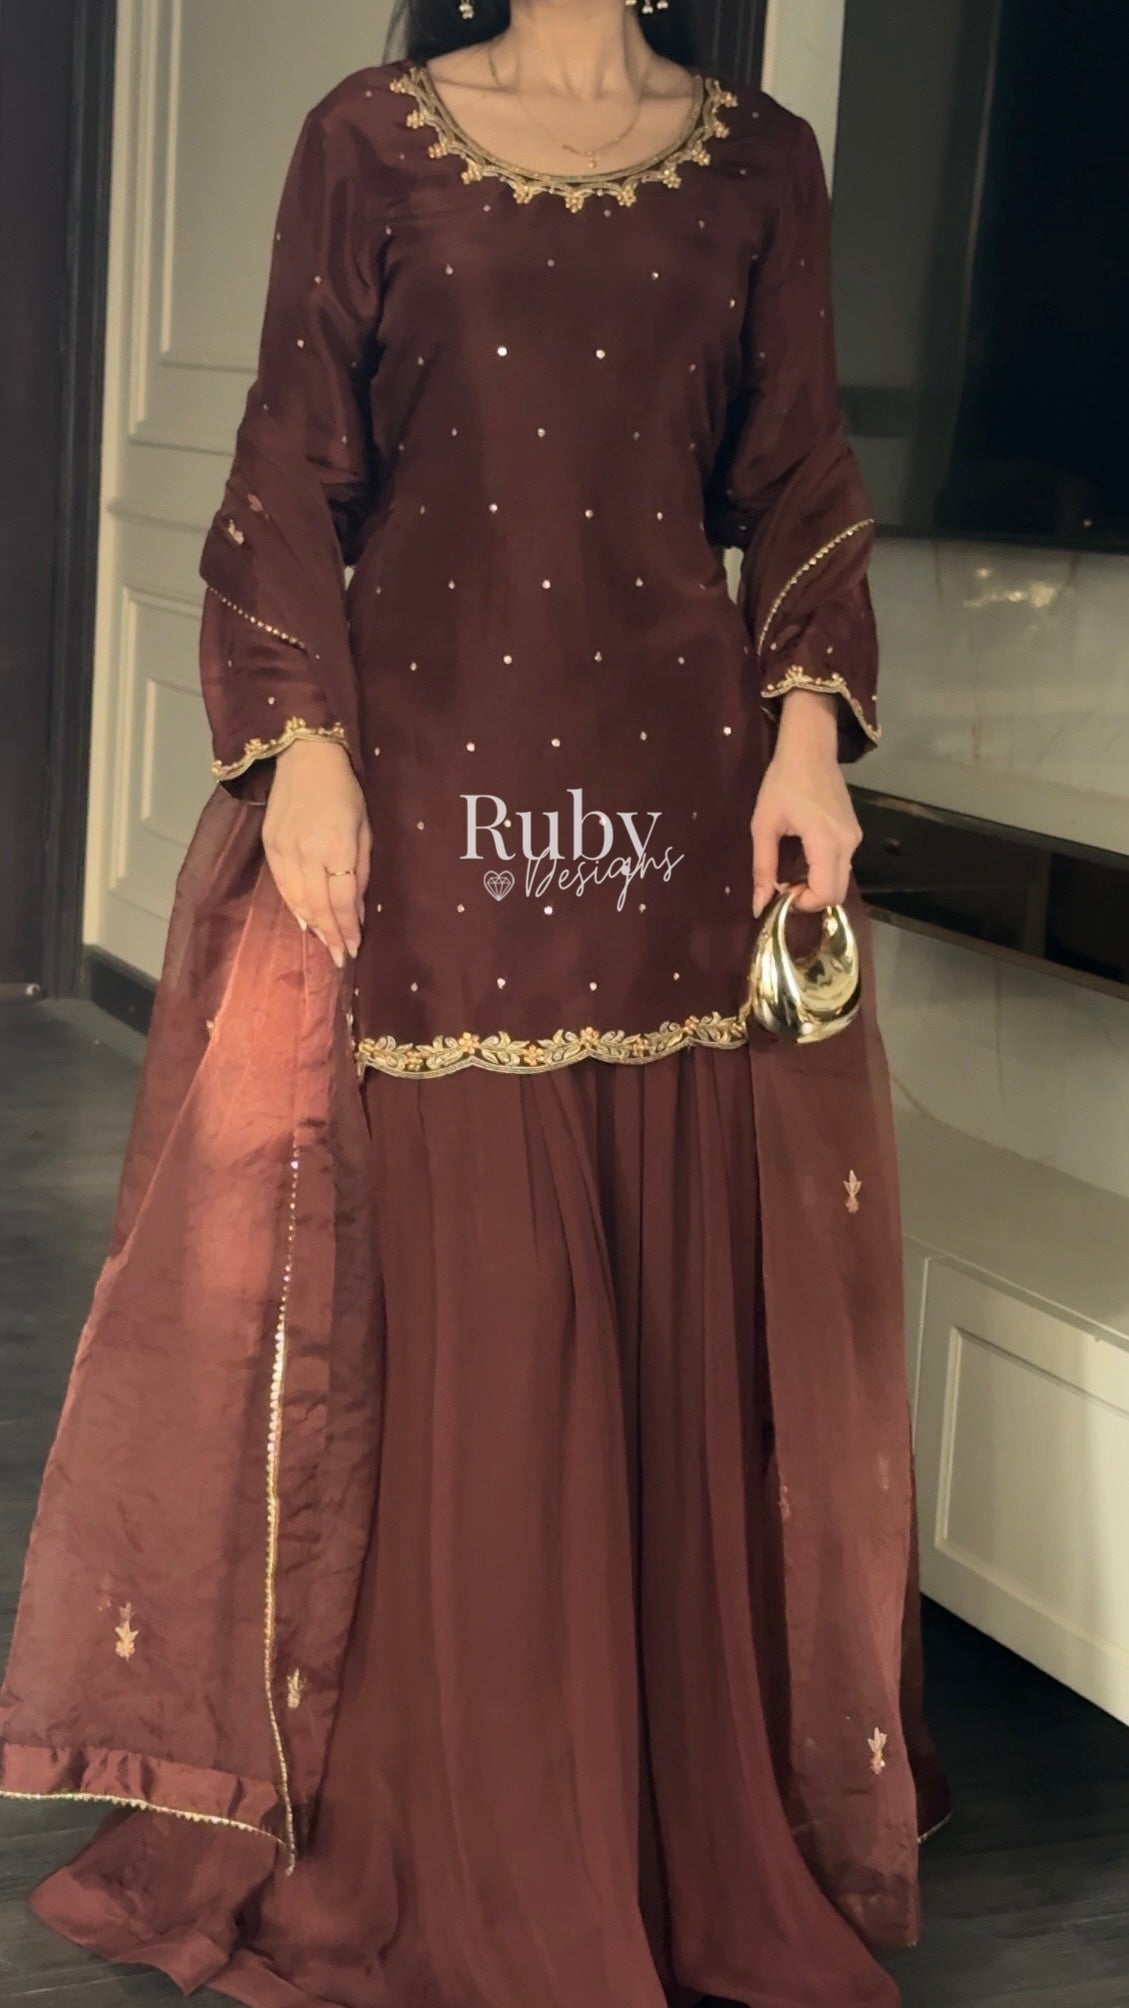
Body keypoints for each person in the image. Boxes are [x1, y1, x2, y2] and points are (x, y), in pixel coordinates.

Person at [0, 2, 949, 2003]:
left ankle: (654, 1829)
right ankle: (450, 1821)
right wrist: (305, 748)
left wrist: (804, 745)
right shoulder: (371, 139)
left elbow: (799, 470)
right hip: (434, 788)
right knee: (466, 1293)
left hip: (671, 799)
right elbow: (287, 464)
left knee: (656, 1285)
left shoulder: (758, 160)